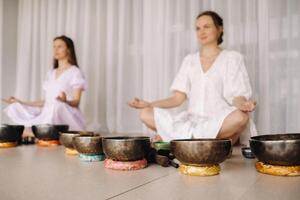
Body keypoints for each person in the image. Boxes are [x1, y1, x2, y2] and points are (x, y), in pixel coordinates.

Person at [128, 11, 256, 144]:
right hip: (191, 121)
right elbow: (177, 99)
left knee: (241, 117)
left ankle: (179, 138)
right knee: (145, 113)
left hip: (218, 121)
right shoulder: (189, 60)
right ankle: (205, 141)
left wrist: (243, 105)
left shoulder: (232, 58)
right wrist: (149, 104)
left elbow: (237, 95)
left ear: (220, 29)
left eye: (207, 26)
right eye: (198, 28)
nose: (202, 32)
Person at [2, 35, 87, 137]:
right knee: (15, 107)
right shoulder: (50, 73)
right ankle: (42, 132)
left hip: (66, 114)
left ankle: (39, 133)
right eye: (54, 46)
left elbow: (76, 102)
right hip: (49, 112)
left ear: (68, 49)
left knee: (57, 105)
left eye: (60, 46)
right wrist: (20, 102)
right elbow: (47, 102)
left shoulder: (75, 72)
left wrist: (65, 101)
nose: (56, 49)